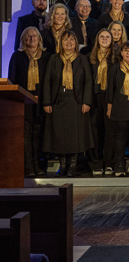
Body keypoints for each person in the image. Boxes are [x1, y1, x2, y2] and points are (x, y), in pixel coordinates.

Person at [42, 30, 93, 177]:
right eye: (65, 40)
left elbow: (88, 81)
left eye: (71, 40)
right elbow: (47, 81)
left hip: (76, 102)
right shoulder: (54, 59)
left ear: (76, 43)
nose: (69, 42)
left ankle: (73, 166)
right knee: (60, 135)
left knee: (75, 135)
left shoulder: (82, 59)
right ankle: (63, 165)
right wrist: (47, 102)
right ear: (61, 43)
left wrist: (87, 102)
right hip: (58, 102)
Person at [9, 27, 51, 177]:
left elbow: (49, 80)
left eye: (34, 36)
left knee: (38, 133)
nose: (32, 39)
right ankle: (28, 166)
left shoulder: (46, 57)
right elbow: (12, 81)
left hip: (40, 101)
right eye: (28, 36)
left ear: (39, 39)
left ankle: (37, 164)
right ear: (23, 40)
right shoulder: (17, 56)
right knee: (26, 134)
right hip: (24, 101)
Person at [107, 41, 129, 177]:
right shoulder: (115, 68)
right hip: (120, 107)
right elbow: (110, 89)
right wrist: (109, 106)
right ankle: (119, 165)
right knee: (120, 137)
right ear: (121, 53)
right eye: (126, 50)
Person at [88, 28, 115, 175]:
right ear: (97, 40)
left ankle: (109, 163)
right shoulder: (90, 57)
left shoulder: (116, 58)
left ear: (112, 40)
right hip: (94, 98)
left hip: (110, 98)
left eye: (107, 37)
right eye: (102, 37)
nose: (104, 39)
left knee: (110, 132)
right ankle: (96, 163)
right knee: (95, 131)